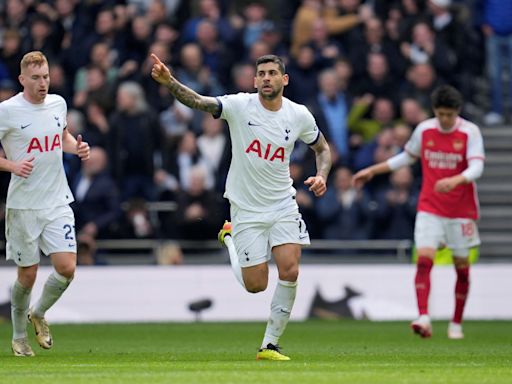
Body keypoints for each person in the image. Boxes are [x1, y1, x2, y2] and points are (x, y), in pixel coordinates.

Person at [151, 53, 331, 360]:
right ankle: (230, 238)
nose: (266, 78)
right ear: (255, 80)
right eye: (261, 73)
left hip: (282, 204)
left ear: (284, 79)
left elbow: (322, 148)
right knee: (256, 285)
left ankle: (269, 345)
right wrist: (170, 82)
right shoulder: (239, 106)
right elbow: (198, 101)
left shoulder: (299, 115)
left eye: (273, 73)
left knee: (290, 270)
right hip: (246, 208)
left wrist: (322, 174)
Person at [353, 85, 485, 340]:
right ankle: (423, 317)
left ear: (457, 111)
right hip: (430, 206)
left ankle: (456, 322)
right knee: (424, 261)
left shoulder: (470, 132)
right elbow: (406, 158)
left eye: (449, 114)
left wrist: (456, 180)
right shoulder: (425, 130)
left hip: (460, 210)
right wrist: (373, 170)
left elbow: (477, 167)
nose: (445, 119)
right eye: (441, 114)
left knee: (462, 269)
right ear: (435, 111)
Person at [0, 51, 90, 356]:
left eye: (46, 76)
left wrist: (76, 148)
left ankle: (37, 313)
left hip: (57, 200)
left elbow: (61, 137)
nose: (43, 83)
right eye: (36, 78)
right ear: (22, 79)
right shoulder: (7, 111)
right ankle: (18, 337)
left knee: (67, 268)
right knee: (27, 275)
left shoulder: (58, 103)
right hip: (24, 205)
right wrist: (12, 166)